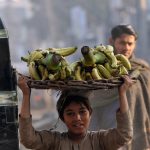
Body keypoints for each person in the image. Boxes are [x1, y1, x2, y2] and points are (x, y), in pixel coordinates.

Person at [18, 74, 133, 150]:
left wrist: (122, 94)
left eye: (82, 112)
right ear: (62, 118)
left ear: (90, 113)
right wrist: (26, 95)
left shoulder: (100, 140)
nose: (77, 117)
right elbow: (28, 139)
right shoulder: (55, 141)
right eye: (70, 113)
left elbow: (124, 135)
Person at [89, 24, 150, 150]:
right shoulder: (99, 68)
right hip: (108, 129)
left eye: (130, 43)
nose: (126, 48)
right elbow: (92, 101)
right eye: (122, 43)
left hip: (137, 129)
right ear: (111, 41)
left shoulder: (143, 69)